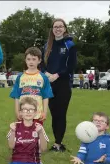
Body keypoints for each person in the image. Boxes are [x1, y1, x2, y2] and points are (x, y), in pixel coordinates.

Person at [41, 18, 77, 152]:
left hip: (63, 83)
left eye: (60, 26)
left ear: (65, 28)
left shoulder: (70, 45)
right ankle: (56, 141)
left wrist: (57, 75)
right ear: (52, 29)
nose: (58, 29)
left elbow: (71, 66)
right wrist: (46, 73)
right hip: (49, 83)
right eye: (55, 27)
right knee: (53, 113)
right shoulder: (47, 45)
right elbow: (42, 64)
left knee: (61, 114)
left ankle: (58, 143)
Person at [7, 97, 49, 164]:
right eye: (25, 109)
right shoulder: (15, 126)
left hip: (33, 162)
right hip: (17, 162)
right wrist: (13, 132)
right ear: (20, 112)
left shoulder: (39, 127)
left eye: (31, 110)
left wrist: (40, 133)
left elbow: (44, 149)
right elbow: (11, 146)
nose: (28, 112)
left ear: (35, 112)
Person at [10, 47, 53, 125]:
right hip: (23, 113)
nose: (31, 62)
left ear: (39, 60)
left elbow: (46, 97)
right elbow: (16, 96)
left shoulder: (43, 77)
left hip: (37, 114)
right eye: (28, 59)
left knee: (36, 135)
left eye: (34, 59)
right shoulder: (20, 77)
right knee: (22, 135)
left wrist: (44, 112)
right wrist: (17, 111)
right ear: (25, 60)